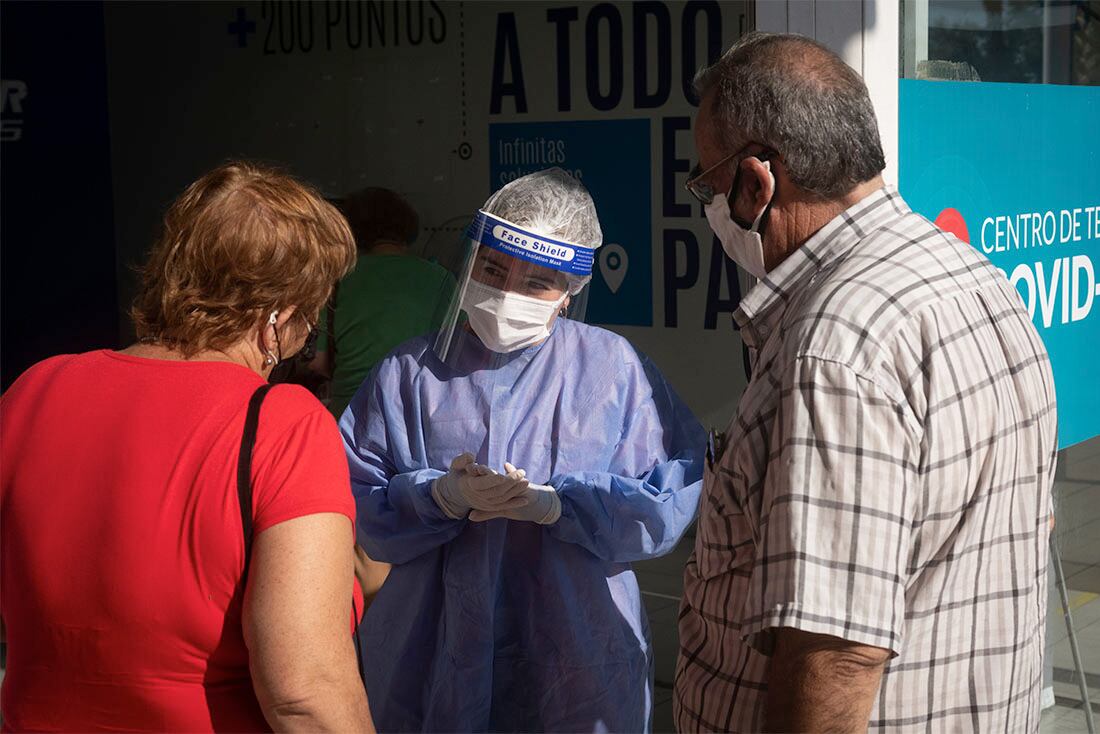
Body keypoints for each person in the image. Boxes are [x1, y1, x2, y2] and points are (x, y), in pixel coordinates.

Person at [675, 32, 1057, 733]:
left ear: (758, 184)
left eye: (706, 182)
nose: (707, 205)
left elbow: (837, 653)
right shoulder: (977, 278)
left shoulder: (835, 348)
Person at [0, 162, 374, 732]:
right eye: (311, 314)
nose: (308, 335)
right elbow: (307, 693)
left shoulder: (35, 388)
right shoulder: (283, 422)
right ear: (278, 316)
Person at [342, 168, 706, 733]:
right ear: (468, 262)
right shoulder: (409, 372)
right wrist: (436, 495)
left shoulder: (613, 371)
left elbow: (664, 501)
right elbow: (356, 494)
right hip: (429, 650)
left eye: (538, 282)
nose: (508, 293)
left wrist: (561, 507)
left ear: (570, 294)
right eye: (492, 268)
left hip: (576, 656)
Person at [312, 187, 455, 418]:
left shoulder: (336, 281)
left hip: (352, 416)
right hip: (420, 415)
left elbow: (317, 362)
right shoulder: (441, 278)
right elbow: (459, 350)